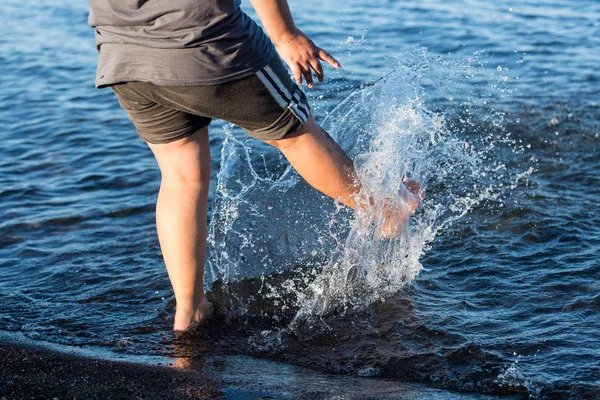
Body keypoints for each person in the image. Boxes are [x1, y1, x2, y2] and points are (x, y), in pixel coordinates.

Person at [88, 0, 422, 332]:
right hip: (208, 42)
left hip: (124, 57)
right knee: (295, 134)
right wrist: (286, 35)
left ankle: (189, 311)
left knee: (180, 178)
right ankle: (383, 208)